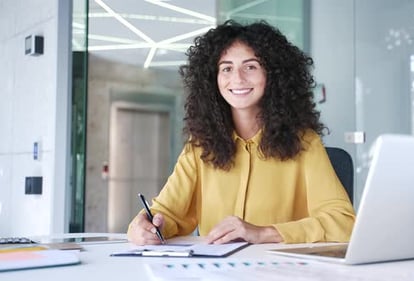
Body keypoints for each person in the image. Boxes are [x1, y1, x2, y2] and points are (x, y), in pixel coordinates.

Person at [127, 20, 355, 245]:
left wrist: (264, 233)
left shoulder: (305, 143)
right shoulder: (200, 146)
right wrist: (145, 227)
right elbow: (167, 213)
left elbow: (344, 223)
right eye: (226, 68)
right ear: (212, 79)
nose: (237, 78)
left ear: (274, 75)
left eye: (251, 66)